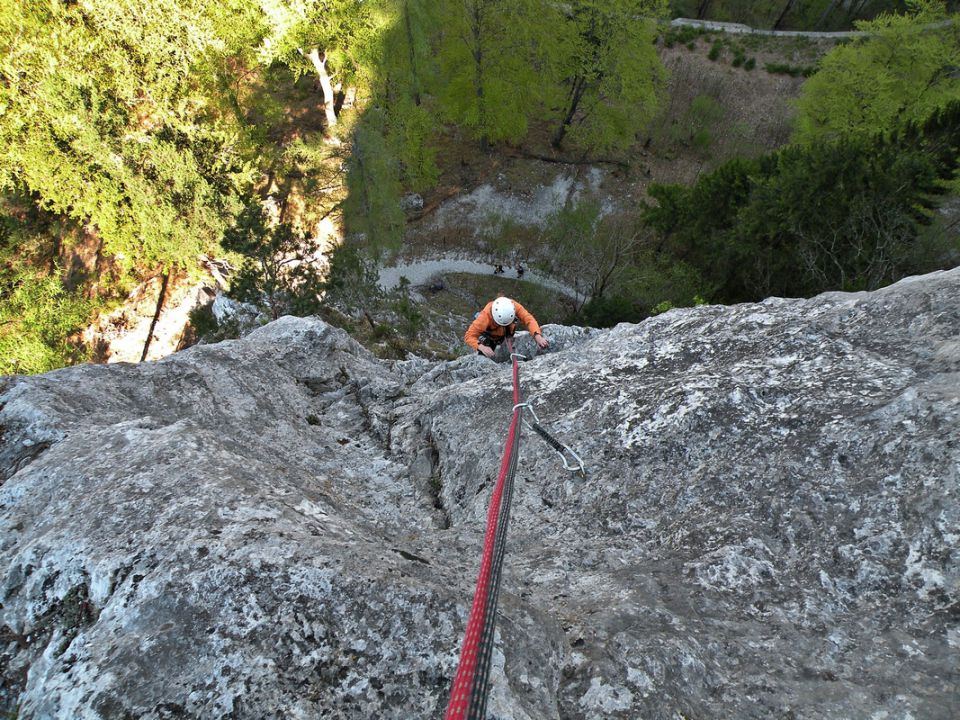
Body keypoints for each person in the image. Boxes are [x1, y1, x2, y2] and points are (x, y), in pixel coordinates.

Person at [464, 296, 550, 359]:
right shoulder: (484, 318)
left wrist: (537, 335)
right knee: (486, 353)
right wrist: (481, 347)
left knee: (509, 330)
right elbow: (469, 336)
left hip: (508, 330)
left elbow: (529, 319)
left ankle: (506, 337)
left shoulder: (513, 306)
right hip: (491, 336)